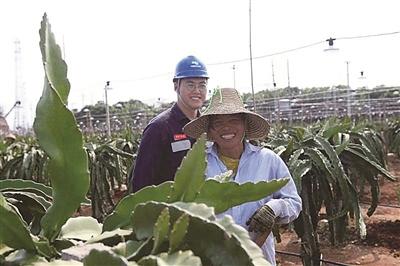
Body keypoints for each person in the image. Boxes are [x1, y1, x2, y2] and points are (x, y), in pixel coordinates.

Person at [183, 88, 302, 265]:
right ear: (210, 130)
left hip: (259, 258)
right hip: (213, 258)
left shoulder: (268, 160)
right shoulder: (198, 163)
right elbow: (184, 207)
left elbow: (294, 202)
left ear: (245, 125)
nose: (226, 127)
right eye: (218, 122)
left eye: (234, 120)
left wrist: (274, 207)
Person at [129, 55, 209, 193]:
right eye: (190, 84)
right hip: (170, 210)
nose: (197, 91)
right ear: (176, 86)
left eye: (202, 85)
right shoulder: (159, 128)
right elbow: (141, 183)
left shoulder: (208, 126)